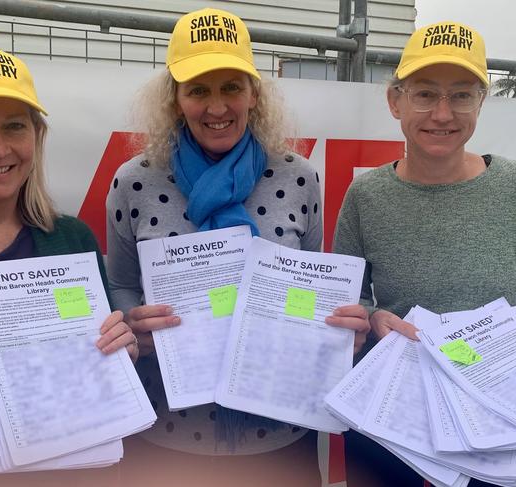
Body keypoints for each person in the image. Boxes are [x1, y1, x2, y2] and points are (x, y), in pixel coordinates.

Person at [106, 7, 369, 486]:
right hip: (166, 431)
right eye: (198, 90)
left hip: (280, 433)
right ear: (175, 99)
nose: (217, 106)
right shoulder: (135, 180)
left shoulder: (298, 175)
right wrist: (133, 324)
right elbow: (121, 282)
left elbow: (308, 288)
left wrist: (333, 327)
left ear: (254, 93)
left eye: (232, 87)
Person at [333, 21, 516, 486]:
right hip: (396, 425)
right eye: (424, 94)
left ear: (481, 102)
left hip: (506, 423)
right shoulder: (365, 196)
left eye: (461, 95)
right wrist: (373, 319)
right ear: (395, 101)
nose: (442, 113)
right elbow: (351, 300)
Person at [0, 46, 139, 422]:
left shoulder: (74, 240)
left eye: (15, 125)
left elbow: (103, 383)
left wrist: (119, 355)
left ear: (37, 134)